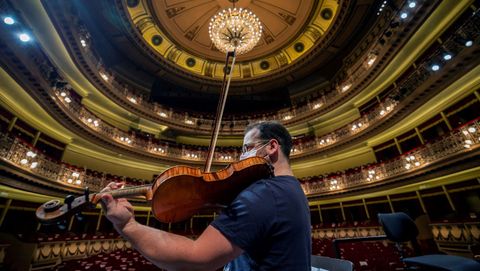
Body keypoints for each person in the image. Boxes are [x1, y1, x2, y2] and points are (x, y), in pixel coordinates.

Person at [101, 121, 312, 270]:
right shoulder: (292, 190)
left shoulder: (265, 193)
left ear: (272, 147)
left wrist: (127, 225)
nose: (241, 157)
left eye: (246, 148)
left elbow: (196, 259)